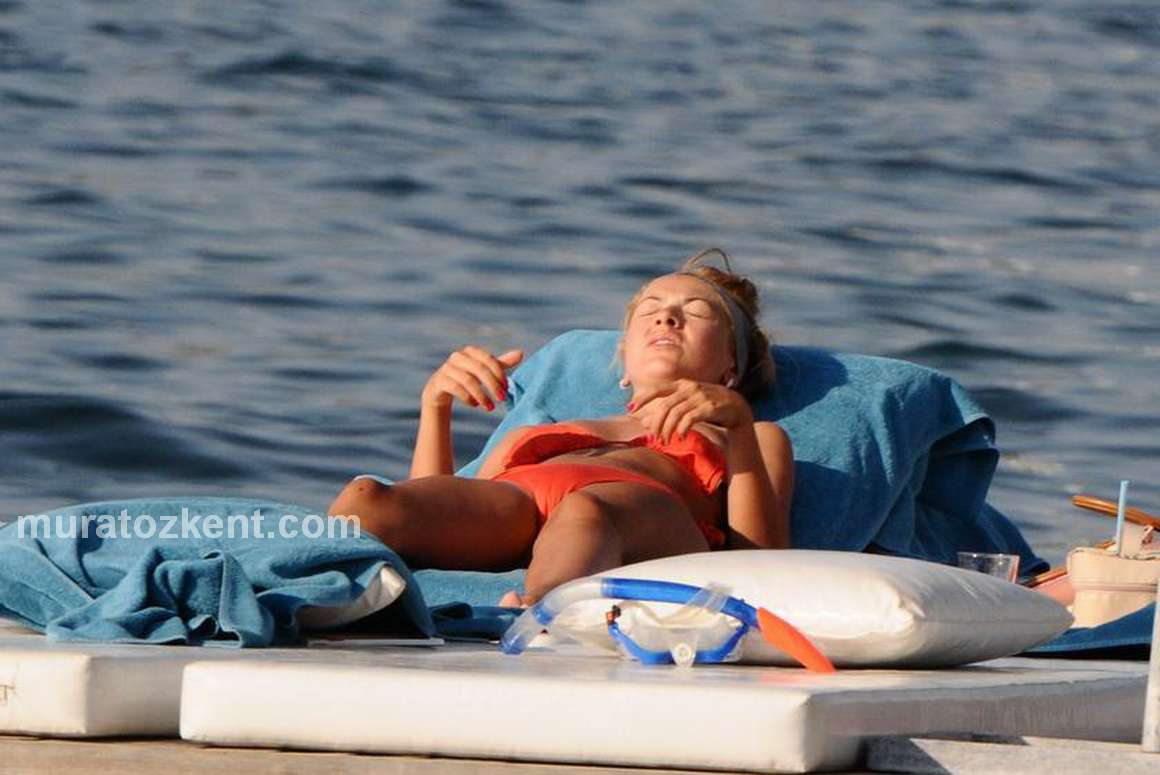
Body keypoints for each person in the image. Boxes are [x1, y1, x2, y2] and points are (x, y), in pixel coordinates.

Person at [327, 248, 794, 606]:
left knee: (586, 508)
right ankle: (314, 584)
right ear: (624, 358)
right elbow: (441, 508)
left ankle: (541, 611)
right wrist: (436, 407)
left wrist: (736, 420)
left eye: (696, 312)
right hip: (523, 503)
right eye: (650, 309)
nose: (666, 316)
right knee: (369, 498)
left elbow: (759, 559)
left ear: (732, 367)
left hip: (645, 518)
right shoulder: (543, 433)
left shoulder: (746, 434)